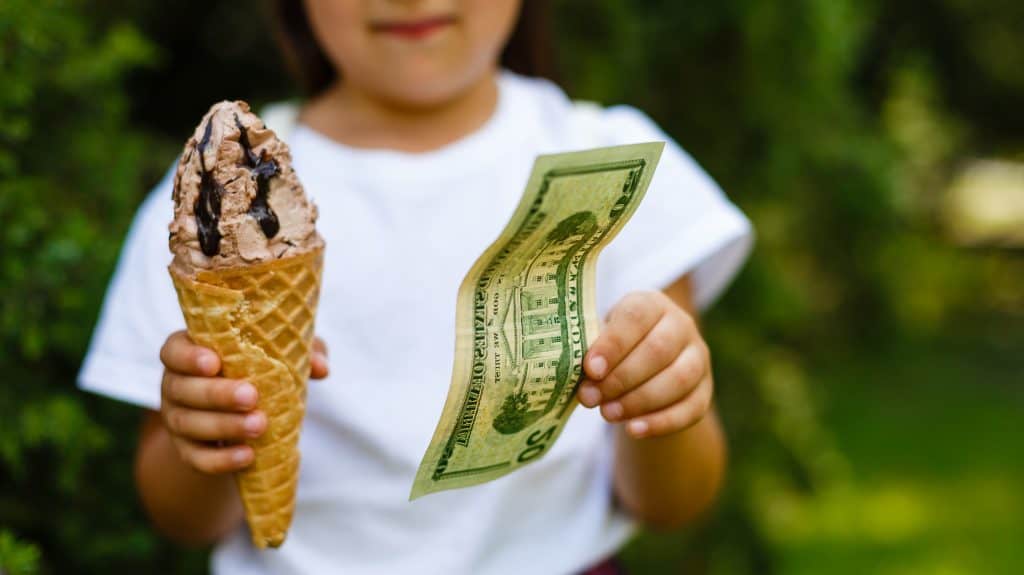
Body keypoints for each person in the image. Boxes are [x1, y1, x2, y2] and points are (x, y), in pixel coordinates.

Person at [78, 1, 753, 573]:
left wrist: (665, 407)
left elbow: (673, 500)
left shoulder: (606, 158)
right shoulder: (216, 193)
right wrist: (209, 435)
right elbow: (181, 516)